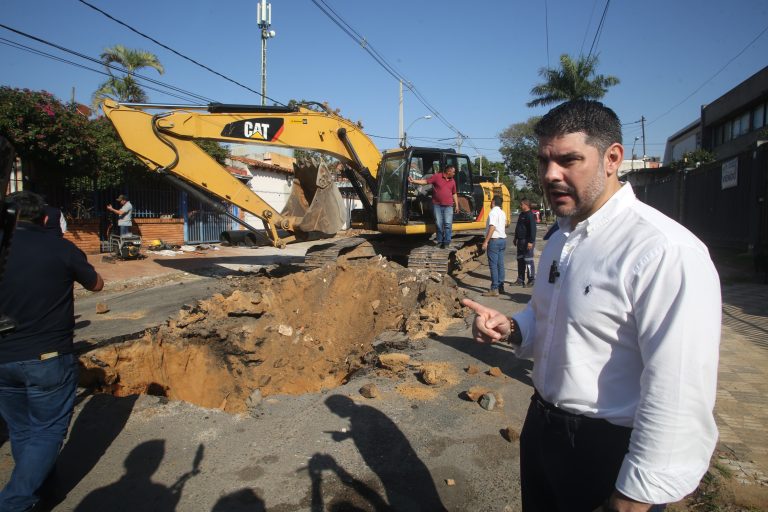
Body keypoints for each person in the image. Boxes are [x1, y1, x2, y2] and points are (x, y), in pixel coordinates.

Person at [462, 100, 721, 512]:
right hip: (542, 429)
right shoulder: (562, 238)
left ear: (612, 158)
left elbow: (679, 388)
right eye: (545, 160)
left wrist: (636, 495)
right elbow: (548, 316)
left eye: (569, 160)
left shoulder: (662, 250)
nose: (550, 174)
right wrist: (512, 327)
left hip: (607, 451)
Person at [0, 191, 104, 512]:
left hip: (4, 361)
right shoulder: (59, 248)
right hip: (47, 358)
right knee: (47, 432)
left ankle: (44, 488)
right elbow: (97, 285)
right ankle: (14, 502)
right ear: (44, 218)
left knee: (22, 429)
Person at [408, 164, 459, 249]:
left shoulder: (452, 181)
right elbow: (425, 182)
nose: (454, 173)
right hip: (437, 205)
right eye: (453, 172)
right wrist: (414, 181)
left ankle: (446, 242)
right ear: (448, 171)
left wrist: (457, 205)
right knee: (439, 224)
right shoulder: (437, 177)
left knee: (448, 224)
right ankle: (439, 241)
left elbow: (454, 193)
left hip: (448, 206)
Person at [481, 195, 507, 297]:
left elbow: (492, 227)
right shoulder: (502, 212)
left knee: (493, 265)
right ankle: (501, 287)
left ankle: (494, 289)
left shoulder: (493, 213)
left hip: (494, 241)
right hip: (502, 240)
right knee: (500, 264)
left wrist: (486, 241)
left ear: (493, 202)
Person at [513, 199, 537, 287]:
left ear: (526, 205)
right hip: (520, 241)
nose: (520, 205)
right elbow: (518, 227)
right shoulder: (521, 214)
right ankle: (520, 279)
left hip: (527, 241)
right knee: (520, 260)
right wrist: (515, 238)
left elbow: (533, 230)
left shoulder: (530, 215)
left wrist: (531, 242)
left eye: (522, 204)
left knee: (528, 261)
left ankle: (531, 280)